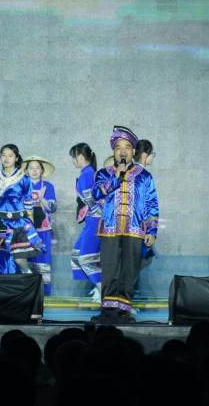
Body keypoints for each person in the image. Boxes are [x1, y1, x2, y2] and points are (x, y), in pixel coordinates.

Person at [91, 126, 159, 323]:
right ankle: (108, 312)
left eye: (127, 147)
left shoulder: (144, 176)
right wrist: (115, 178)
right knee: (110, 271)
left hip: (135, 229)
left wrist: (152, 229)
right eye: (118, 147)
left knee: (129, 272)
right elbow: (96, 194)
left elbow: (152, 203)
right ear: (114, 151)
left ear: (133, 151)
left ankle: (123, 312)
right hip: (110, 229)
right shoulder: (104, 173)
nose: (122, 151)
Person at [0, 144, 43, 273]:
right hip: (0, 222)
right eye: (3, 155)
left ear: (16, 158)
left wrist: (30, 220)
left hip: (18, 222)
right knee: (1, 256)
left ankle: (28, 276)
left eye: (10, 156)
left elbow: (28, 201)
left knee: (19, 258)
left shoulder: (24, 178)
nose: (6, 158)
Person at [70, 143, 103, 302]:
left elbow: (93, 201)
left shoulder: (87, 174)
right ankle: (99, 287)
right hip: (91, 220)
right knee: (77, 255)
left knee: (85, 259)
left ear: (80, 157)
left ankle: (103, 290)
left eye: (73, 157)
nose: (73, 160)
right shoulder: (88, 173)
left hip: (95, 221)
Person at [23, 156, 57, 295]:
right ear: (27, 170)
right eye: (31, 168)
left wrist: (42, 198)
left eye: (37, 168)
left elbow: (53, 208)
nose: (34, 170)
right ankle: (27, 291)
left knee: (43, 260)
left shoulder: (48, 186)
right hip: (25, 230)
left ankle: (44, 292)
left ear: (42, 170)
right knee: (26, 259)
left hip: (43, 230)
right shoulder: (22, 185)